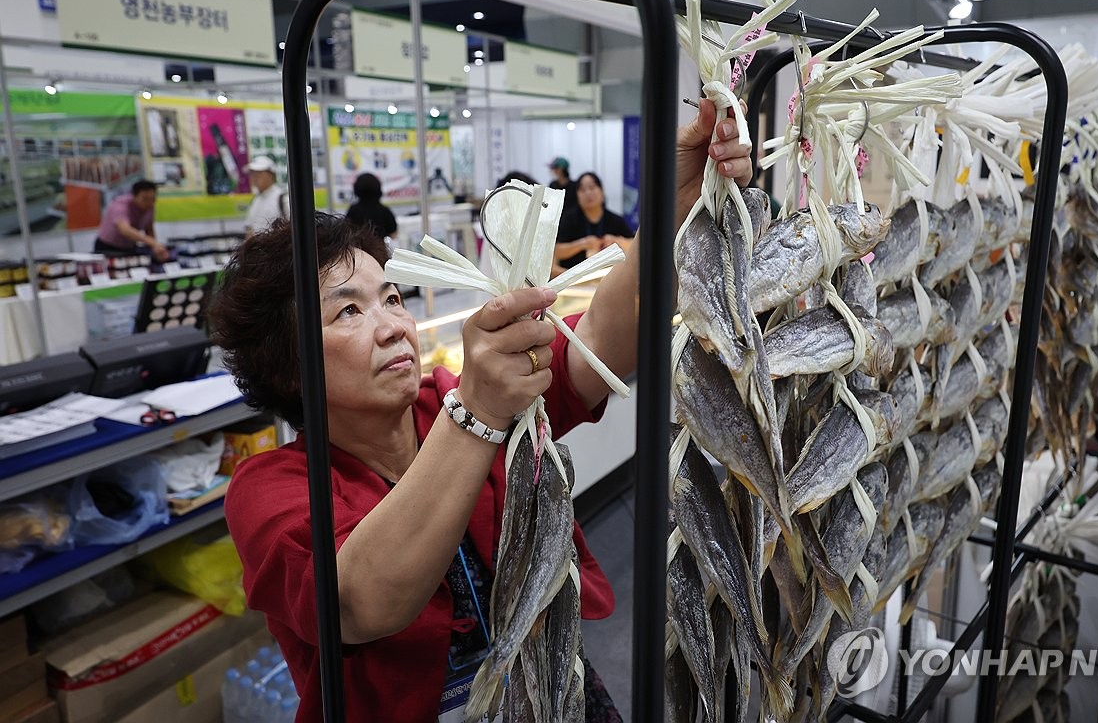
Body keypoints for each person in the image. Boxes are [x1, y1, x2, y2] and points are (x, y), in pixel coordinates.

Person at [205, 99, 751, 723]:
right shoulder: (270, 490)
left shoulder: (446, 402)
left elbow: (599, 342)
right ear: (288, 367)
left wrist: (674, 209)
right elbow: (360, 603)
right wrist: (478, 412)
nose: (392, 328)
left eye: (391, 297)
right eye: (348, 312)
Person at [554, 172, 634, 271]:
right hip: (575, 280)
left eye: (592, 188)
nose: (588, 193)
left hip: (608, 278)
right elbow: (556, 252)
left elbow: (634, 245)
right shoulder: (569, 219)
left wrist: (616, 241)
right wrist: (581, 244)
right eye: (582, 190)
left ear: (602, 191)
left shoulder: (615, 220)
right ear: (577, 195)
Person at [93, 179, 170, 261]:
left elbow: (149, 228)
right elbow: (125, 230)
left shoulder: (150, 207)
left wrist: (155, 248)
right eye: (145, 199)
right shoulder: (120, 205)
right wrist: (152, 242)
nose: (150, 203)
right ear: (134, 196)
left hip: (129, 247)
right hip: (107, 247)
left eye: (153, 199)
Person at [243, 156, 289, 238]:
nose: (254, 177)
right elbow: (249, 227)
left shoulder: (282, 199)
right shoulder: (255, 200)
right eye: (252, 174)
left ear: (271, 175)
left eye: (259, 173)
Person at [344, 172, 398, 242]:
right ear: (378, 188)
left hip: (358, 250)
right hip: (380, 250)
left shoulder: (353, 211)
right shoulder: (384, 211)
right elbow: (393, 235)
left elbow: (346, 232)